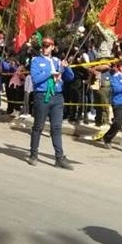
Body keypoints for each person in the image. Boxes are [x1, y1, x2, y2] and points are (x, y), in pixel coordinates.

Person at [26, 37, 75, 169]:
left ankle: (59, 158)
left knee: (57, 128)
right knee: (38, 126)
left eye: (48, 46)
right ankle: (33, 154)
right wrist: (50, 73)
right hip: (42, 96)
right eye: (43, 45)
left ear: (53, 47)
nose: (45, 48)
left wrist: (67, 67)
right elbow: (35, 79)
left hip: (57, 97)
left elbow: (70, 77)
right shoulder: (36, 60)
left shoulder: (57, 61)